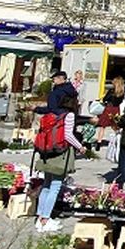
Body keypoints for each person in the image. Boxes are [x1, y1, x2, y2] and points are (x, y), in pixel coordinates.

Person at [33, 90, 84, 233]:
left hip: (47, 152)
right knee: (55, 187)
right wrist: (80, 147)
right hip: (60, 152)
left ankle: (39, 218)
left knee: (46, 184)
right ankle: (46, 219)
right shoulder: (69, 115)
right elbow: (68, 135)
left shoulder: (52, 113)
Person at [95, 75, 125, 147]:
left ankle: (99, 142)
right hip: (116, 109)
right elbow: (120, 101)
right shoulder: (122, 92)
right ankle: (118, 140)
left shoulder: (111, 91)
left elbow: (105, 99)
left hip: (109, 108)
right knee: (115, 125)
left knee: (103, 126)